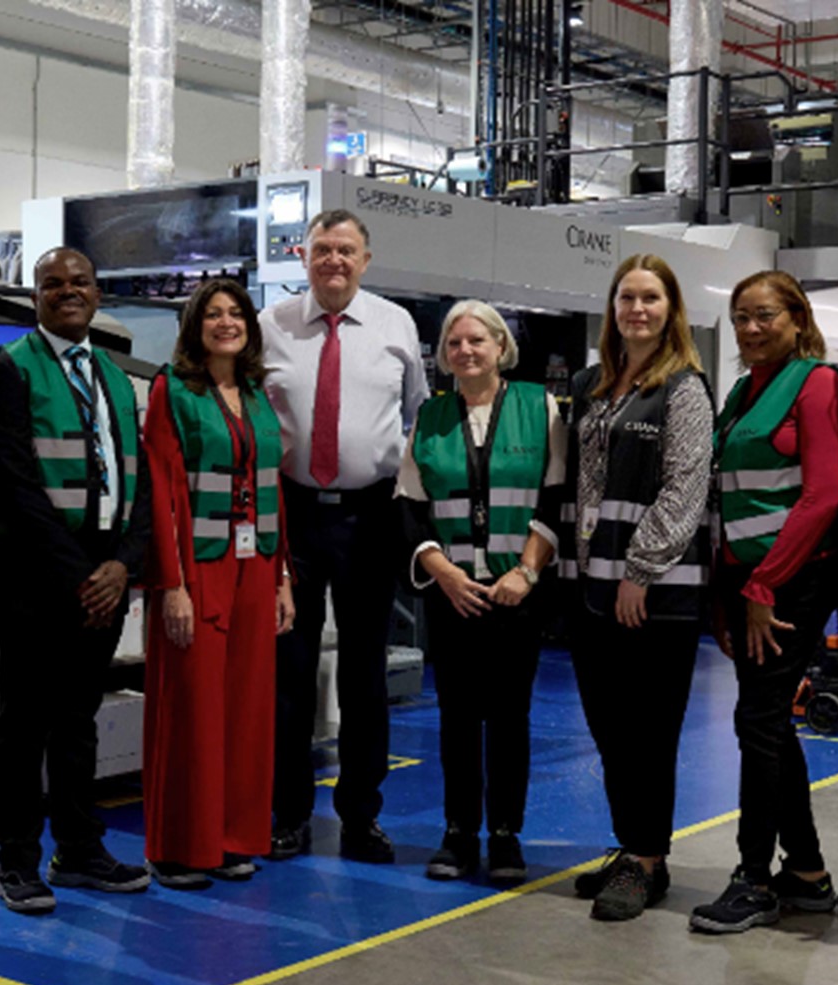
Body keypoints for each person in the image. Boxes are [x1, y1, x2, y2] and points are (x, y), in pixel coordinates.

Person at [0, 246, 152, 913]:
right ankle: (16, 860)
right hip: (36, 575)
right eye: (52, 284)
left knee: (78, 719)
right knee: (24, 723)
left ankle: (79, 848)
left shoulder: (111, 374)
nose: (67, 292)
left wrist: (123, 564)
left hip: (104, 573)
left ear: (96, 292)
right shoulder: (6, 372)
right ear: (35, 297)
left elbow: (136, 481)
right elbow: (15, 485)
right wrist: (84, 575)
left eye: (78, 282)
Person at [688, 271, 838, 935]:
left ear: (795, 317)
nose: (751, 329)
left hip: (788, 580)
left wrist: (763, 585)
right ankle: (806, 873)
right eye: (740, 318)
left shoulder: (817, 382)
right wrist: (727, 593)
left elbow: (823, 495)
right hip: (742, 579)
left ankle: (754, 877)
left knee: (757, 720)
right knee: (766, 723)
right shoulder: (738, 391)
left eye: (764, 316)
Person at [261, 209, 428, 863]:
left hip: (369, 517)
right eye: (322, 249)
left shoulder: (395, 326)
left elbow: (415, 415)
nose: (333, 260)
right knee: (289, 676)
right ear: (303, 256)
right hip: (292, 517)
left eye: (346, 250)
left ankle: (360, 817)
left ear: (365, 258)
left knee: (363, 677)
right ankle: (288, 815)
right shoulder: (270, 326)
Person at [563, 253, 714, 922]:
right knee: (608, 728)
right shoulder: (590, 383)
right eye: (627, 297)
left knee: (649, 729)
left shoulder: (682, 388)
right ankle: (630, 846)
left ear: (669, 309)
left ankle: (647, 861)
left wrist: (638, 571)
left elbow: (684, 489)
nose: (637, 309)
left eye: (650, 298)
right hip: (590, 589)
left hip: (654, 593)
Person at [397, 301, 566, 883]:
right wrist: (441, 570)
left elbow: (554, 499)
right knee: (457, 718)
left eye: (476, 341)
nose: (464, 351)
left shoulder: (537, 406)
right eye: (453, 344)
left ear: (500, 347)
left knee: (510, 717)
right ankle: (459, 834)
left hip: (514, 593)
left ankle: (505, 835)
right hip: (452, 594)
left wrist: (527, 571)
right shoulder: (431, 415)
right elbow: (411, 509)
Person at [141, 278, 296, 888]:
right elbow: (162, 489)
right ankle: (179, 846)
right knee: (193, 705)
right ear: (194, 325)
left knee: (245, 708)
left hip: (254, 566)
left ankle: (230, 836)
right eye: (213, 314)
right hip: (196, 569)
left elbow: (273, 486)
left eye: (236, 313)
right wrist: (170, 584)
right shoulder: (171, 389)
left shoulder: (256, 393)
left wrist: (282, 576)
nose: (226, 323)